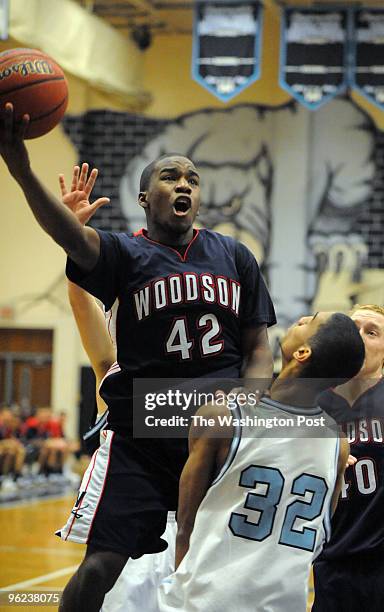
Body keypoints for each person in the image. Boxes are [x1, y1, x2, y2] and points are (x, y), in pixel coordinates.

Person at [0, 105, 276, 611]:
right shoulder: (125, 254)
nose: (185, 183)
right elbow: (70, 238)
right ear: (146, 198)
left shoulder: (235, 256)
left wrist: (250, 401)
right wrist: (19, 165)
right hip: (143, 436)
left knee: (221, 571)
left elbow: (258, 345)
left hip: (216, 433)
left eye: (193, 177)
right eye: (171, 176)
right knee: (101, 564)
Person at [158, 311, 365, 612]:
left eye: (310, 321)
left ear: (303, 353)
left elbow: (185, 525)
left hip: (206, 600)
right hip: (284, 603)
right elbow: (322, 535)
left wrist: (179, 586)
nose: (302, 318)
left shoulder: (222, 417)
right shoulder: (337, 445)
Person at [62, 167, 176, 612]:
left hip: (190, 536)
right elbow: (79, 301)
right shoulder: (115, 374)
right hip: (129, 549)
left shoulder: (206, 384)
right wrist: (73, 235)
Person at [312, 304, 384, 612]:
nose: (359, 337)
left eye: (372, 332)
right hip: (332, 559)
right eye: (353, 328)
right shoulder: (311, 403)